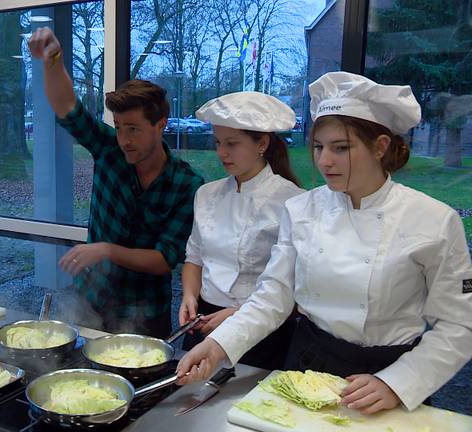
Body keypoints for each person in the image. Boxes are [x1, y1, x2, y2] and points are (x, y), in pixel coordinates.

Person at [176, 71, 472, 415]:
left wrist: (398, 382)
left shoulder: (433, 221)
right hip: (307, 364)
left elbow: (459, 323)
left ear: (381, 146)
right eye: (318, 147)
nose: (323, 161)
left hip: (390, 374)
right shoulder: (302, 209)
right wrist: (217, 345)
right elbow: (273, 297)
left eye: (340, 148)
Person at [28, 28, 204, 338]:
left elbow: (164, 259)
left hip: (147, 311)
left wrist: (107, 250)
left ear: (160, 125)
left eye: (134, 129)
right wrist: (53, 59)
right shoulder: (109, 149)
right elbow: (65, 105)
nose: (124, 140)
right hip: (91, 299)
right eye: (119, 127)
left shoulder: (186, 185)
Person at [179, 92, 305, 370]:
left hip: (260, 329)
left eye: (232, 144)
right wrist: (189, 295)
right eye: (218, 143)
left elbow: (294, 291)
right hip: (203, 322)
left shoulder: (293, 202)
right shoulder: (206, 194)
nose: (221, 153)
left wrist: (237, 314)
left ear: (262, 143)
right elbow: (195, 258)